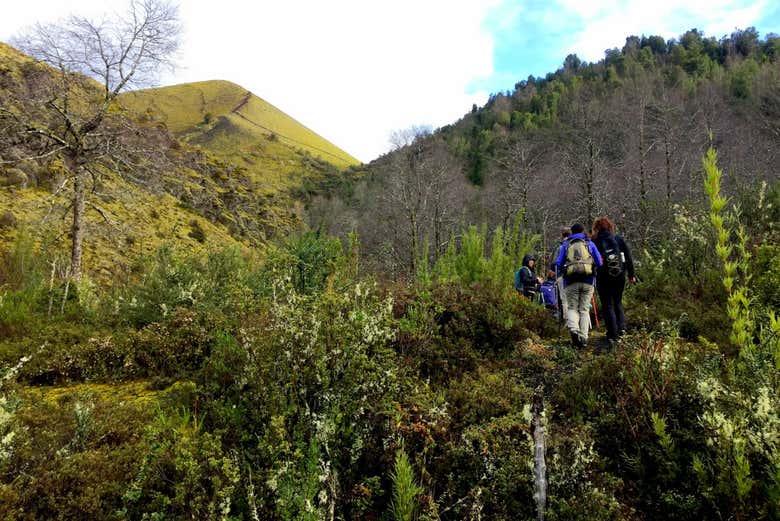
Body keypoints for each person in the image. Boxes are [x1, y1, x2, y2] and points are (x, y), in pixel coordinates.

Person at [556, 223, 603, 347]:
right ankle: (584, 337)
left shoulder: (566, 245)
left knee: (572, 308)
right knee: (584, 309)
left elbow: (559, 264)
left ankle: (574, 329)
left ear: (571, 232)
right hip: (588, 281)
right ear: (583, 231)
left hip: (570, 282)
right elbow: (600, 262)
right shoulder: (589, 243)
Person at [591, 216, 636, 345]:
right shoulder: (617, 239)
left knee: (607, 304)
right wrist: (631, 275)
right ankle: (622, 329)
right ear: (610, 227)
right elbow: (628, 257)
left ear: (596, 228)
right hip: (619, 275)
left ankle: (612, 333)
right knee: (617, 302)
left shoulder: (595, 241)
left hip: (603, 276)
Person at [549, 226, 571, 322]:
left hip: (562, 275)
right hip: (576, 275)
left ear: (562, 235)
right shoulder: (577, 244)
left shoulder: (560, 247)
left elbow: (554, 263)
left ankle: (567, 320)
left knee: (564, 299)